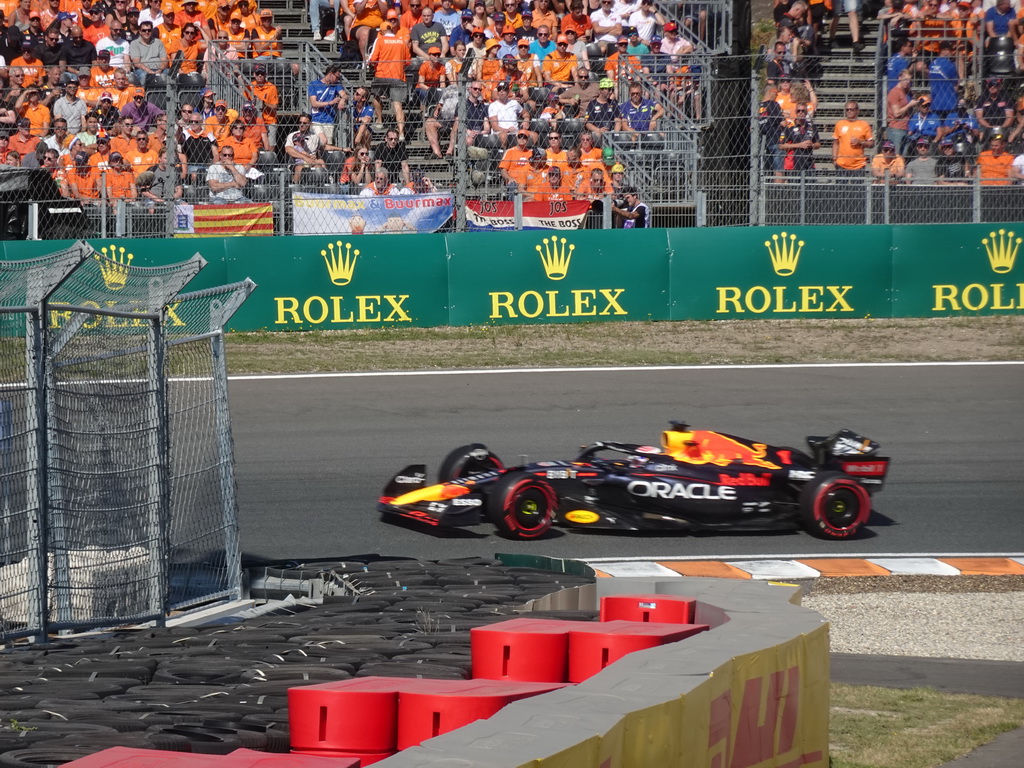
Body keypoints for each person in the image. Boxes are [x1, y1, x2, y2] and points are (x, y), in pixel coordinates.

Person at [368, 9, 410, 142]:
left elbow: (373, 59)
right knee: (398, 105)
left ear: (381, 31)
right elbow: (407, 61)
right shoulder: (401, 42)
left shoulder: (379, 40)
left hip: (381, 74)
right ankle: (401, 133)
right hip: (397, 76)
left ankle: (380, 121)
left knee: (376, 95)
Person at [777, 101, 820, 178]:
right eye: (798, 111)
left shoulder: (812, 126)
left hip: (809, 163)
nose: (801, 113)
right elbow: (781, 145)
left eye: (803, 111)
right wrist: (799, 145)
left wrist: (812, 145)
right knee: (795, 188)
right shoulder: (790, 127)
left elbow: (818, 144)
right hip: (793, 164)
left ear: (806, 112)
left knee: (809, 188)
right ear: (795, 112)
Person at [832, 100, 873, 179]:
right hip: (841, 164)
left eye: (852, 109)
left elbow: (871, 143)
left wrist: (860, 142)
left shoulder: (864, 125)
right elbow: (836, 143)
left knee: (857, 190)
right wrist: (834, 159)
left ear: (857, 111)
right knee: (841, 190)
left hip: (858, 164)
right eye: (847, 110)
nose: (849, 111)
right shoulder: (839, 124)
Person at [308, 64, 347, 144]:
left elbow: (344, 95)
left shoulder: (336, 85)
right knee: (322, 141)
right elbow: (314, 103)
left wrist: (343, 100)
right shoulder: (314, 84)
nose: (338, 79)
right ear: (330, 74)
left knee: (328, 145)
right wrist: (330, 102)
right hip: (316, 119)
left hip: (329, 120)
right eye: (337, 77)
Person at [886, 69, 917, 157]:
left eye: (909, 80)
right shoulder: (895, 92)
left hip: (904, 128)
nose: (908, 82)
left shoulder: (903, 92)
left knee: (902, 158)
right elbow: (896, 113)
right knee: (896, 156)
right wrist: (909, 105)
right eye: (905, 79)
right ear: (900, 78)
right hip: (896, 129)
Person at [128, 20, 168, 85]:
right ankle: (143, 94)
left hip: (159, 69)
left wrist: (160, 70)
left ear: (152, 31)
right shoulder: (134, 44)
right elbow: (136, 62)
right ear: (140, 31)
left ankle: (169, 95)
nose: (147, 32)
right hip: (143, 70)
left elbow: (164, 60)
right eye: (144, 30)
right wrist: (149, 71)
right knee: (144, 76)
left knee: (170, 75)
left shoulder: (158, 42)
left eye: (149, 30)